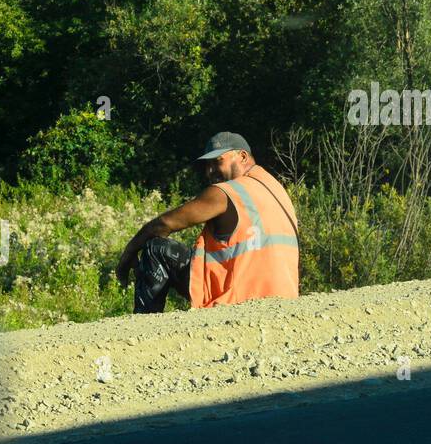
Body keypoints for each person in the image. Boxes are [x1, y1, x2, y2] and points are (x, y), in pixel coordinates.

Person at [116, 132, 300, 312]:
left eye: (217, 161)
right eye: (207, 165)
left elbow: (164, 224)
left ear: (242, 156)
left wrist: (127, 256)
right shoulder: (276, 189)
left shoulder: (226, 192)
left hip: (238, 298)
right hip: (284, 298)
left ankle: (145, 327)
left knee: (156, 248)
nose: (210, 171)